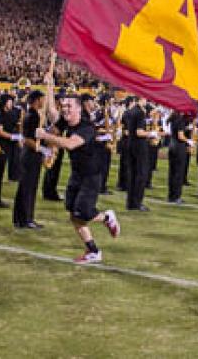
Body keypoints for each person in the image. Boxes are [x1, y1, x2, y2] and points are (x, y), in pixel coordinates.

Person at [35, 93, 120, 264]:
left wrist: (45, 136)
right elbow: (52, 111)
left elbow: (70, 143)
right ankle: (93, 251)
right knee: (74, 214)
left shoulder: (86, 127)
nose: (65, 109)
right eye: (64, 106)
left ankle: (106, 218)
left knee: (84, 213)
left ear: (79, 109)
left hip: (91, 174)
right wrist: (50, 86)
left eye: (69, 106)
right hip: (77, 173)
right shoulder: (65, 121)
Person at [13, 89, 51, 229]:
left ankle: (22, 218)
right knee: (28, 187)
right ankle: (25, 219)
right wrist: (41, 149)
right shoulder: (33, 116)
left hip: (30, 155)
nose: (44, 102)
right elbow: (27, 138)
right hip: (30, 155)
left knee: (27, 187)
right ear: (36, 100)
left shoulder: (34, 115)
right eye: (42, 99)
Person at [124, 97, 155, 211]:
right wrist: (151, 133)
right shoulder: (140, 112)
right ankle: (137, 203)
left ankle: (130, 202)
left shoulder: (131, 111)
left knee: (132, 174)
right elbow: (139, 132)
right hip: (139, 146)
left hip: (130, 144)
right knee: (141, 174)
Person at [167, 111, 194, 204]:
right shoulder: (180, 120)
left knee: (172, 172)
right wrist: (189, 141)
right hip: (179, 147)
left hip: (172, 146)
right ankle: (176, 196)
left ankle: (171, 195)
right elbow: (180, 136)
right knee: (179, 173)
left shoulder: (173, 118)